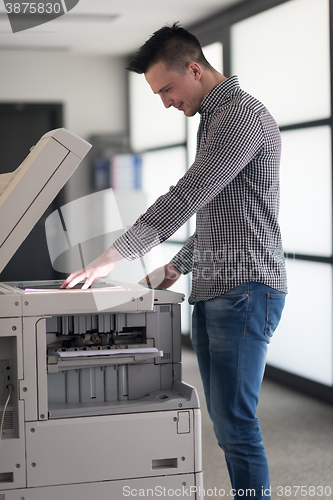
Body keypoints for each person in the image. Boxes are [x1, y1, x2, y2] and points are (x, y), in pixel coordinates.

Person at [61, 22, 287, 500]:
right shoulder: (215, 116)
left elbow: (188, 195)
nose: (164, 101)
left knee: (236, 423)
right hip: (218, 285)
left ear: (194, 68)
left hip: (245, 290)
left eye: (167, 89)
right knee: (226, 421)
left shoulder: (241, 116)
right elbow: (222, 215)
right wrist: (176, 266)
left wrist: (114, 255)